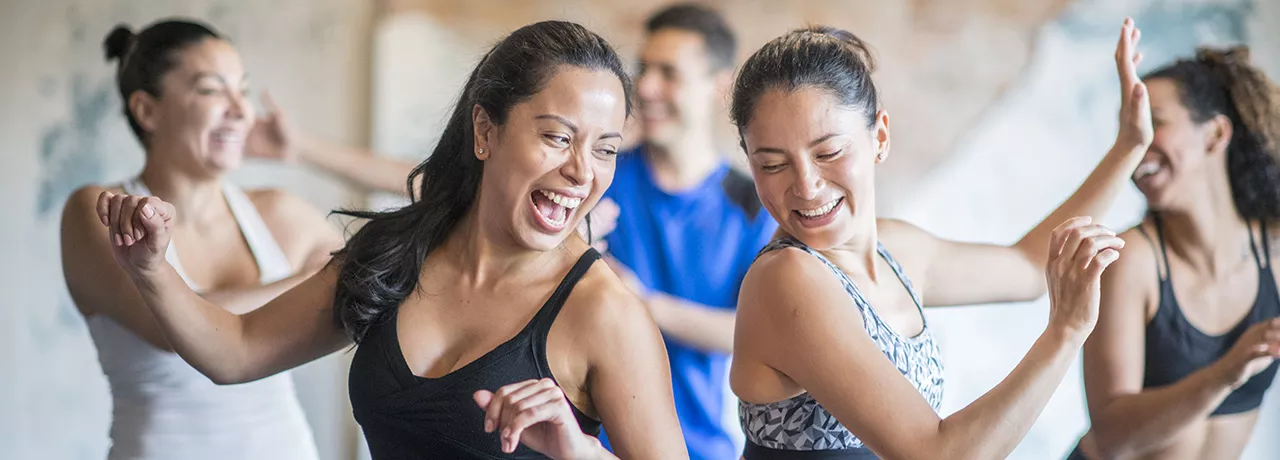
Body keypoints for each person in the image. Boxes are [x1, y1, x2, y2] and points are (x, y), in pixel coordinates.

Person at [93, 20, 686, 459]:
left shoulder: (605, 312)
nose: (585, 171)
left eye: (605, 149)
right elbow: (237, 349)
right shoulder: (395, 252)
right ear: (486, 130)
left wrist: (580, 453)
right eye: (558, 137)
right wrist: (151, 268)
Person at [728, 19, 1151, 459]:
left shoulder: (899, 250)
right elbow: (937, 455)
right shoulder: (787, 279)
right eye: (773, 165)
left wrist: (1128, 148)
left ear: (880, 137)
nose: (807, 185)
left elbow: (1027, 267)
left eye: (828, 153)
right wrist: (1065, 333)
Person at [60, 19, 342, 460]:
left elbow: (415, 237)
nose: (241, 110)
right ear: (147, 111)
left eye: (243, 91)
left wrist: (301, 151)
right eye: (212, 90)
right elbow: (176, 329)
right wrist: (319, 281)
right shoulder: (99, 211)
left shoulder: (278, 213)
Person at [1073, 46, 1280, 460]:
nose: (1135, 145)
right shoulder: (1131, 259)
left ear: (1216, 135)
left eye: (1152, 124)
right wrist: (1225, 374)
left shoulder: (1273, 252)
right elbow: (1112, 437)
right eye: (1128, 131)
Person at [593, 5, 777, 459]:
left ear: (719, 86)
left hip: (698, 446)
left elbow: (759, 335)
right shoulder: (599, 177)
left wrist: (642, 304)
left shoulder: (755, 205)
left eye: (669, 73)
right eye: (644, 69)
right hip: (582, 443)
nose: (647, 87)